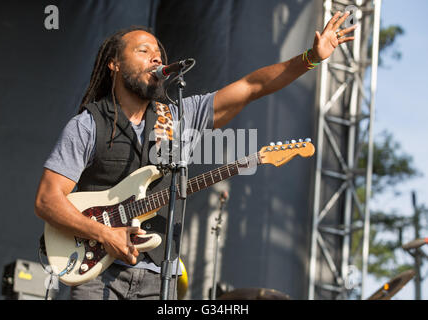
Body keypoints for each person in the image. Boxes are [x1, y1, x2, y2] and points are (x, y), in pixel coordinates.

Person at [34, 11, 356, 300]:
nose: (154, 59)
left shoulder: (176, 118)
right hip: (97, 277)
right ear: (114, 63)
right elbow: (48, 200)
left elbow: (252, 86)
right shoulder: (88, 125)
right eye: (143, 51)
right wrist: (104, 233)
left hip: (158, 280)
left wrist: (310, 58)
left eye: (158, 54)